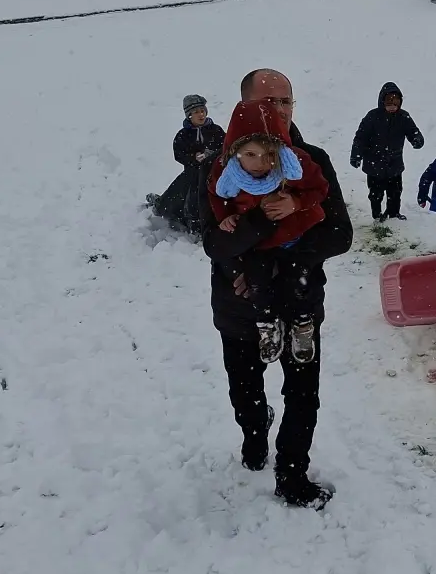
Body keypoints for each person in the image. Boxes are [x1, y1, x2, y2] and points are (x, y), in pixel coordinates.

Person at [200, 69, 352, 510]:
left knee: (303, 394)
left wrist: (290, 258)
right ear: (247, 108)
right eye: (270, 103)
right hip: (239, 306)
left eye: (287, 102)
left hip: (300, 301)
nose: (280, 111)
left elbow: (339, 233)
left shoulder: (311, 160)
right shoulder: (223, 166)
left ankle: (292, 474)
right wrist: (260, 224)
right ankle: (253, 430)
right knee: (245, 394)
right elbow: (214, 241)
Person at [208, 100, 330, 365]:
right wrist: (225, 216)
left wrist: (296, 203)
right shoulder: (225, 171)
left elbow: (320, 189)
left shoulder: (295, 163)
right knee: (257, 285)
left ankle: (302, 324)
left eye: (269, 155)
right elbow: (217, 196)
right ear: (236, 151)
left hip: (293, 237)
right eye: (250, 155)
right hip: (256, 242)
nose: (260, 163)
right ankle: (267, 325)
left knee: (299, 282)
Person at [148, 94, 225, 234]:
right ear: (189, 115)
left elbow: (226, 148)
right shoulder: (183, 135)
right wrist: (193, 158)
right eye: (196, 112)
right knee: (184, 199)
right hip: (192, 175)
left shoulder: (216, 130)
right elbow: (179, 154)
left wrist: (212, 155)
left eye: (202, 111)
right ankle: (191, 224)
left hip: (214, 174)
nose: (200, 114)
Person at [349, 82, 425, 222]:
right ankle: (377, 215)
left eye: (395, 105)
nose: (392, 108)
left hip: (394, 164)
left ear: (399, 104)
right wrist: (356, 155)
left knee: (395, 192)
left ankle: (394, 214)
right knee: (375, 194)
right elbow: (360, 137)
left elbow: (413, 131)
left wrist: (417, 139)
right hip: (374, 165)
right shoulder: (372, 117)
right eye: (389, 104)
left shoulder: (403, 117)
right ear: (382, 102)